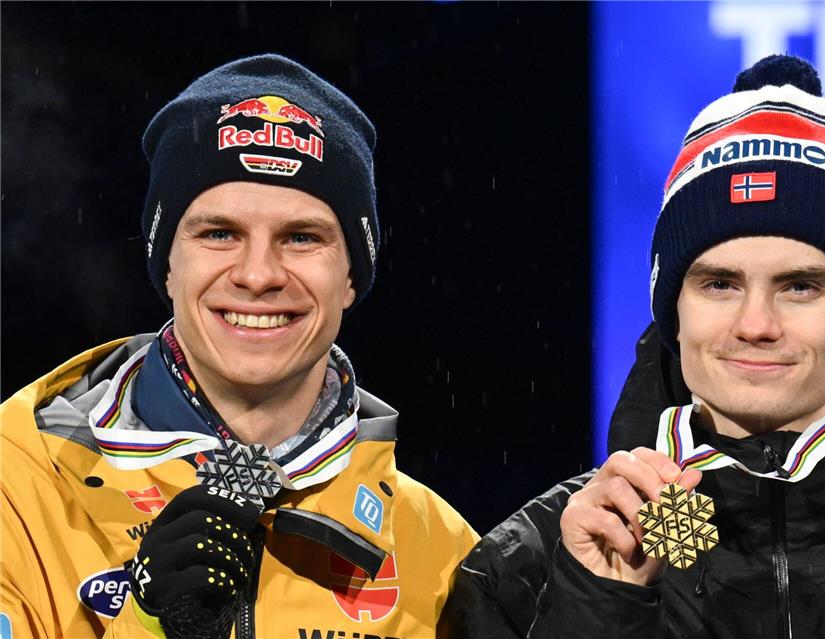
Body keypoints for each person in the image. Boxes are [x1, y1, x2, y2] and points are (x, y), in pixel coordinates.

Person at [439, 55, 825, 638]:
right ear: (673, 314)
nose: (756, 324)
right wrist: (595, 607)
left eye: (800, 286)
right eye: (719, 284)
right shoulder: (527, 566)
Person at [0, 54, 478, 639]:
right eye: (219, 233)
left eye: (301, 237)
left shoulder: (441, 550)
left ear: (351, 277)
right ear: (166, 265)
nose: (258, 275)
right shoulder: (16, 485)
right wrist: (146, 626)